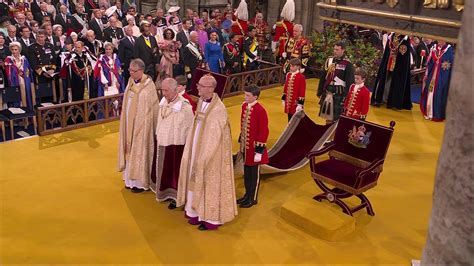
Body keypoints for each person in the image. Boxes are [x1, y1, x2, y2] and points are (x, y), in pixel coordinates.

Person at [176, 74, 237, 231]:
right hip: (197, 148)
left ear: (210, 88)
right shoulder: (202, 101)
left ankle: (210, 219)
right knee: (194, 178)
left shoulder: (218, 109)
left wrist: (203, 156)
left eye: (201, 86)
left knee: (209, 182)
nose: (197, 87)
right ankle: (195, 212)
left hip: (212, 155)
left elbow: (214, 136)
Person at [118, 58, 159, 193]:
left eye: (133, 71)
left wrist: (142, 124)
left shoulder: (148, 85)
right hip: (129, 122)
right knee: (129, 151)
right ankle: (129, 179)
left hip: (142, 126)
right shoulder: (131, 81)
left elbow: (151, 109)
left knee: (139, 151)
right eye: (130, 70)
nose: (130, 73)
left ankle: (140, 182)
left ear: (141, 71)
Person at [154, 78, 194, 209]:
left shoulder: (184, 106)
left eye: (166, 90)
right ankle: (165, 193)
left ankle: (178, 198)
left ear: (175, 90)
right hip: (163, 143)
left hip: (177, 146)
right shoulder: (164, 101)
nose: (163, 93)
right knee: (165, 171)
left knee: (176, 174)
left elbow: (188, 128)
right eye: (162, 90)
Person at [237, 85, 269, 208]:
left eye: (248, 95)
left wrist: (259, 151)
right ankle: (246, 195)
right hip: (246, 147)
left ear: (255, 97)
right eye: (245, 95)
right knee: (247, 173)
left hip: (255, 150)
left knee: (254, 175)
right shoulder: (244, 106)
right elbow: (243, 125)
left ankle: (253, 198)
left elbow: (264, 131)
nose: (245, 97)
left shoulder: (261, 110)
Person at [317, 41, 355, 122]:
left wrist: (346, 97)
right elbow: (323, 76)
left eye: (337, 50)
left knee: (336, 118)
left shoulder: (348, 64)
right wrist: (320, 90)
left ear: (343, 50)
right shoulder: (329, 60)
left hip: (339, 93)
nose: (335, 51)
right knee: (326, 116)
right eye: (334, 49)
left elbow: (350, 82)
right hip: (328, 91)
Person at [420, 41, 454, 121]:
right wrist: (427, 74)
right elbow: (430, 62)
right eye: (439, 40)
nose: (440, 41)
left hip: (442, 76)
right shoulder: (434, 48)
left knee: (438, 93)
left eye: (442, 40)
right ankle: (428, 112)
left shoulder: (448, 50)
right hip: (432, 75)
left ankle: (436, 114)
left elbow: (449, 64)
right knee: (430, 91)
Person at [28, 30, 57, 103]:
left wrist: (52, 70)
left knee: (52, 94)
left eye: (42, 37)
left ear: (45, 37)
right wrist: (44, 73)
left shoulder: (50, 46)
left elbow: (54, 60)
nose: (40, 39)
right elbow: (33, 64)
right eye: (38, 37)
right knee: (42, 95)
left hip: (51, 74)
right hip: (40, 75)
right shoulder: (32, 47)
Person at [4, 42, 34, 109]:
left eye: (16, 49)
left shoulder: (24, 59)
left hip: (24, 81)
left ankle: (28, 112)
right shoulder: (8, 60)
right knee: (17, 97)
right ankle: (18, 117)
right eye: (12, 49)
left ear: (19, 50)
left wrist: (25, 74)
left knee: (26, 96)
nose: (14, 51)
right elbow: (8, 73)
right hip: (14, 82)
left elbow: (28, 70)